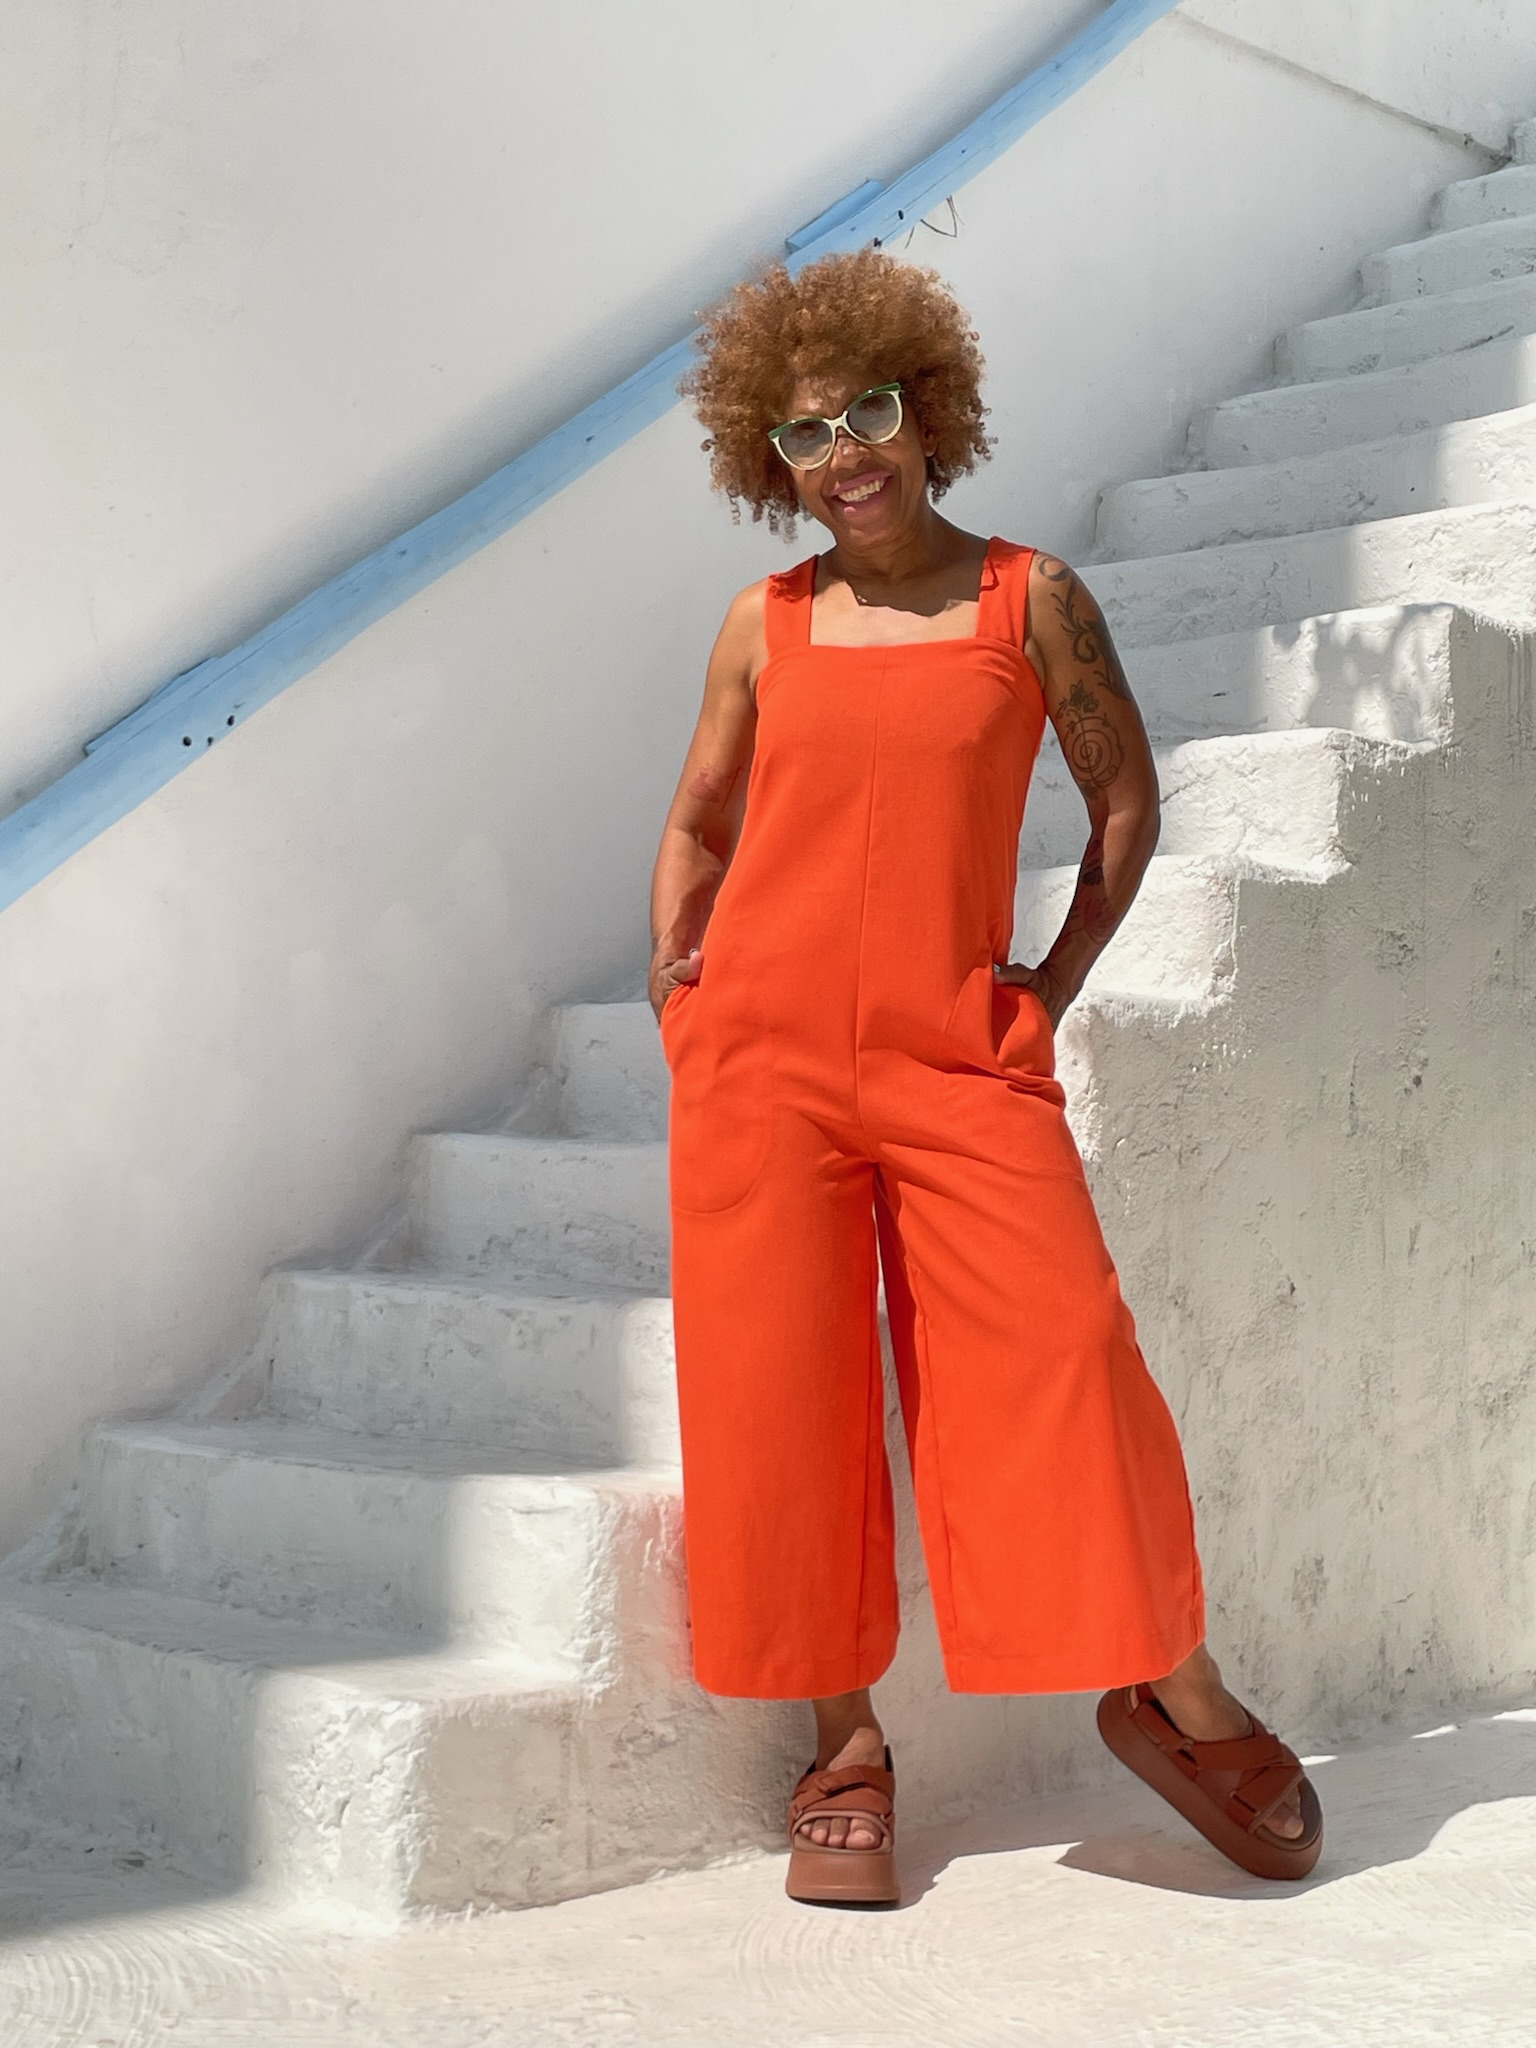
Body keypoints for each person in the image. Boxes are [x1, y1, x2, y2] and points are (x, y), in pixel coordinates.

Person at [647, 250, 1322, 1906]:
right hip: (760, 1063)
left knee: (1070, 1347)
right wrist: (679, 982)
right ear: (771, 460)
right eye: (806, 434)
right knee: (776, 1397)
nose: (846, 454)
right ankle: (845, 1747)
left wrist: (1053, 982)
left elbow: (1124, 801)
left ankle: (1171, 1685)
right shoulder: (765, 624)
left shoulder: (1032, 601)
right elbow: (703, 816)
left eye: (870, 412)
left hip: (959, 1051)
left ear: (927, 409)